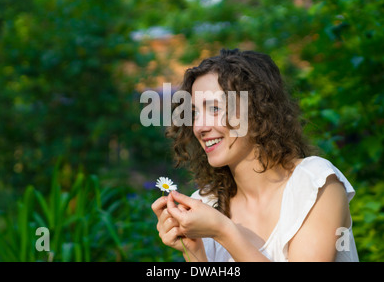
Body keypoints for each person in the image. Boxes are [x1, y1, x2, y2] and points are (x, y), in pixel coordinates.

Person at [151, 49, 359, 262]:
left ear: (256, 110)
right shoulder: (204, 205)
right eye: (195, 113)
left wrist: (224, 231)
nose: (200, 127)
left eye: (214, 108)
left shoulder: (315, 184)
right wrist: (194, 251)